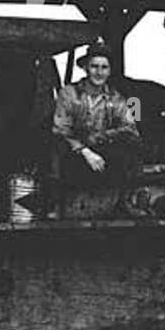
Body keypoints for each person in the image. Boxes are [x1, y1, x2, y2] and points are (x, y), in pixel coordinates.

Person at [51, 40, 144, 207]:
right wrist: (86, 151)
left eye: (104, 67)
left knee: (130, 149)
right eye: (94, 66)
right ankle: (56, 204)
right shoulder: (69, 94)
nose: (99, 72)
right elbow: (60, 130)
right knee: (56, 148)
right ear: (86, 68)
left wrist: (99, 138)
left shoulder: (116, 98)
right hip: (74, 156)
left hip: (101, 156)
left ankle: (124, 202)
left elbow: (130, 129)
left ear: (109, 71)